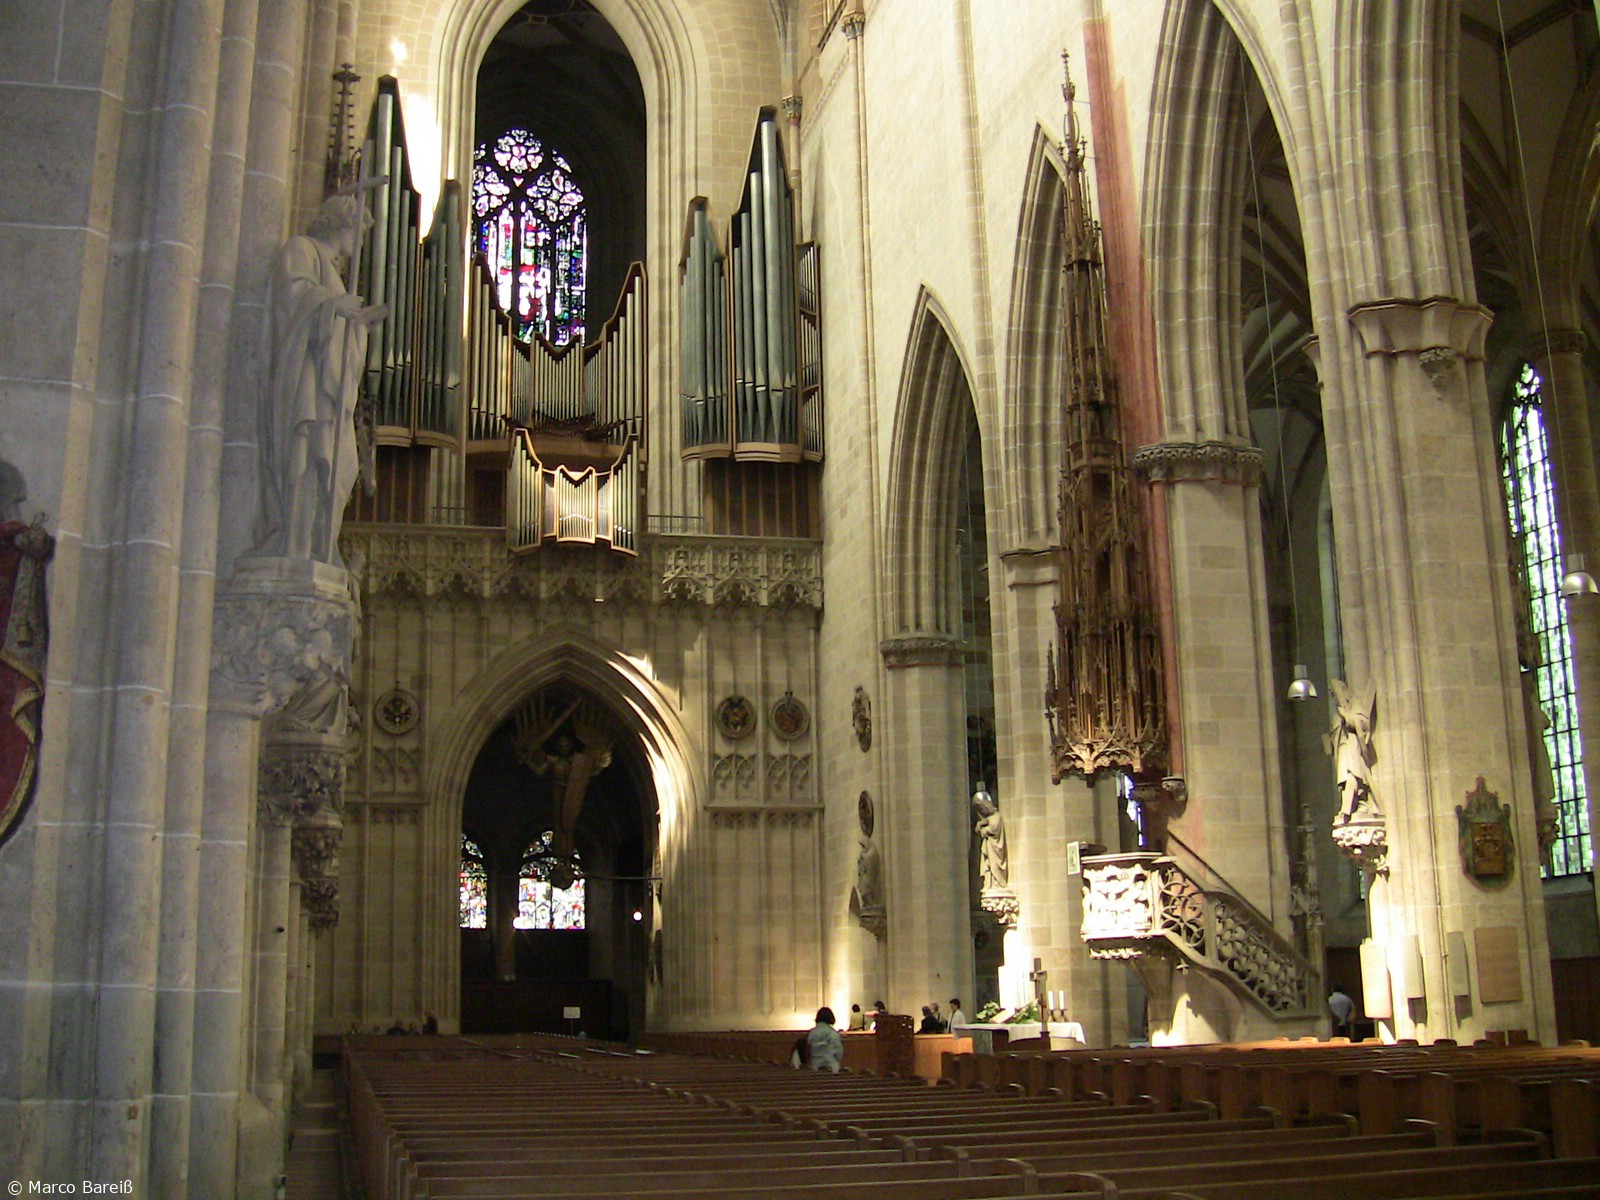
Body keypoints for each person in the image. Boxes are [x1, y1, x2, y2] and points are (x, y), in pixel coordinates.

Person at [257, 193, 388, 565]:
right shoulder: (302, 250)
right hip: (309, 388)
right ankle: (296, 545)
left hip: (330, 394)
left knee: (341, 468)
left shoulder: (332, 271)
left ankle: (318, 546)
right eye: (358, 232)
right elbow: (289, 301)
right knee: (311, 461)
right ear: (342, 223)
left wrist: (356, 324)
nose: (359, 242)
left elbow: (335, 333)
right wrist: (331, 307)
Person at [972, 782, 1010, 890]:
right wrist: (980, 825)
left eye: (983, 809)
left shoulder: (996, 816)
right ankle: (989, 884)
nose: (983, 811)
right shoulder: (987, 819)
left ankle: (998, 883)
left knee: (994, 866)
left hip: (995, 850)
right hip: (989, 849)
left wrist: (983, 828)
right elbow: (977, 830)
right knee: (987, 866)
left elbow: (993, 828)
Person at [806, 1006, 844, 1072]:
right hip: (831, 1067)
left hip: (815, 1067)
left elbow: (808, 1050)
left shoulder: (811, 1033)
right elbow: (838, 1052)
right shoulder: (833, 1034)